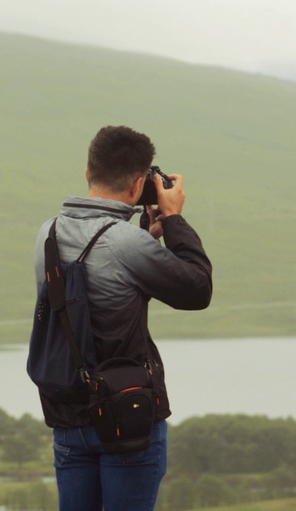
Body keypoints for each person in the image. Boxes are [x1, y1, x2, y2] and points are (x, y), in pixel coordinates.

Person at [33, 125, 213, 511]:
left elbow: (99, 277)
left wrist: (147, 233)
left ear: (87, 173)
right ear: (138, 185)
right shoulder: (128, 244)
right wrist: (174, 220)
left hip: (69, 417)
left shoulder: (47, 234)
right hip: (126, 416)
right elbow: (197, 290)